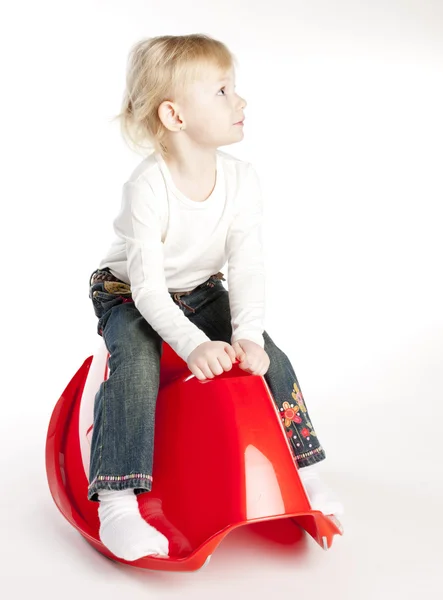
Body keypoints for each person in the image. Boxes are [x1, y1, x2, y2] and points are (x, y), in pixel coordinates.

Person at [87, 33, 344, 562]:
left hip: (201, 287)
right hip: (129, 292)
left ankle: (307, 468)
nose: (241, 101)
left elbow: (247, 266)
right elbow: (149, 289)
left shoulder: (242, 180)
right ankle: (116, 502)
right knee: (135, 365)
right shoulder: (148, 187)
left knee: (271, 356)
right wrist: (194, 343)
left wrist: (246, 335)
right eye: (223, 91)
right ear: (175, 116)